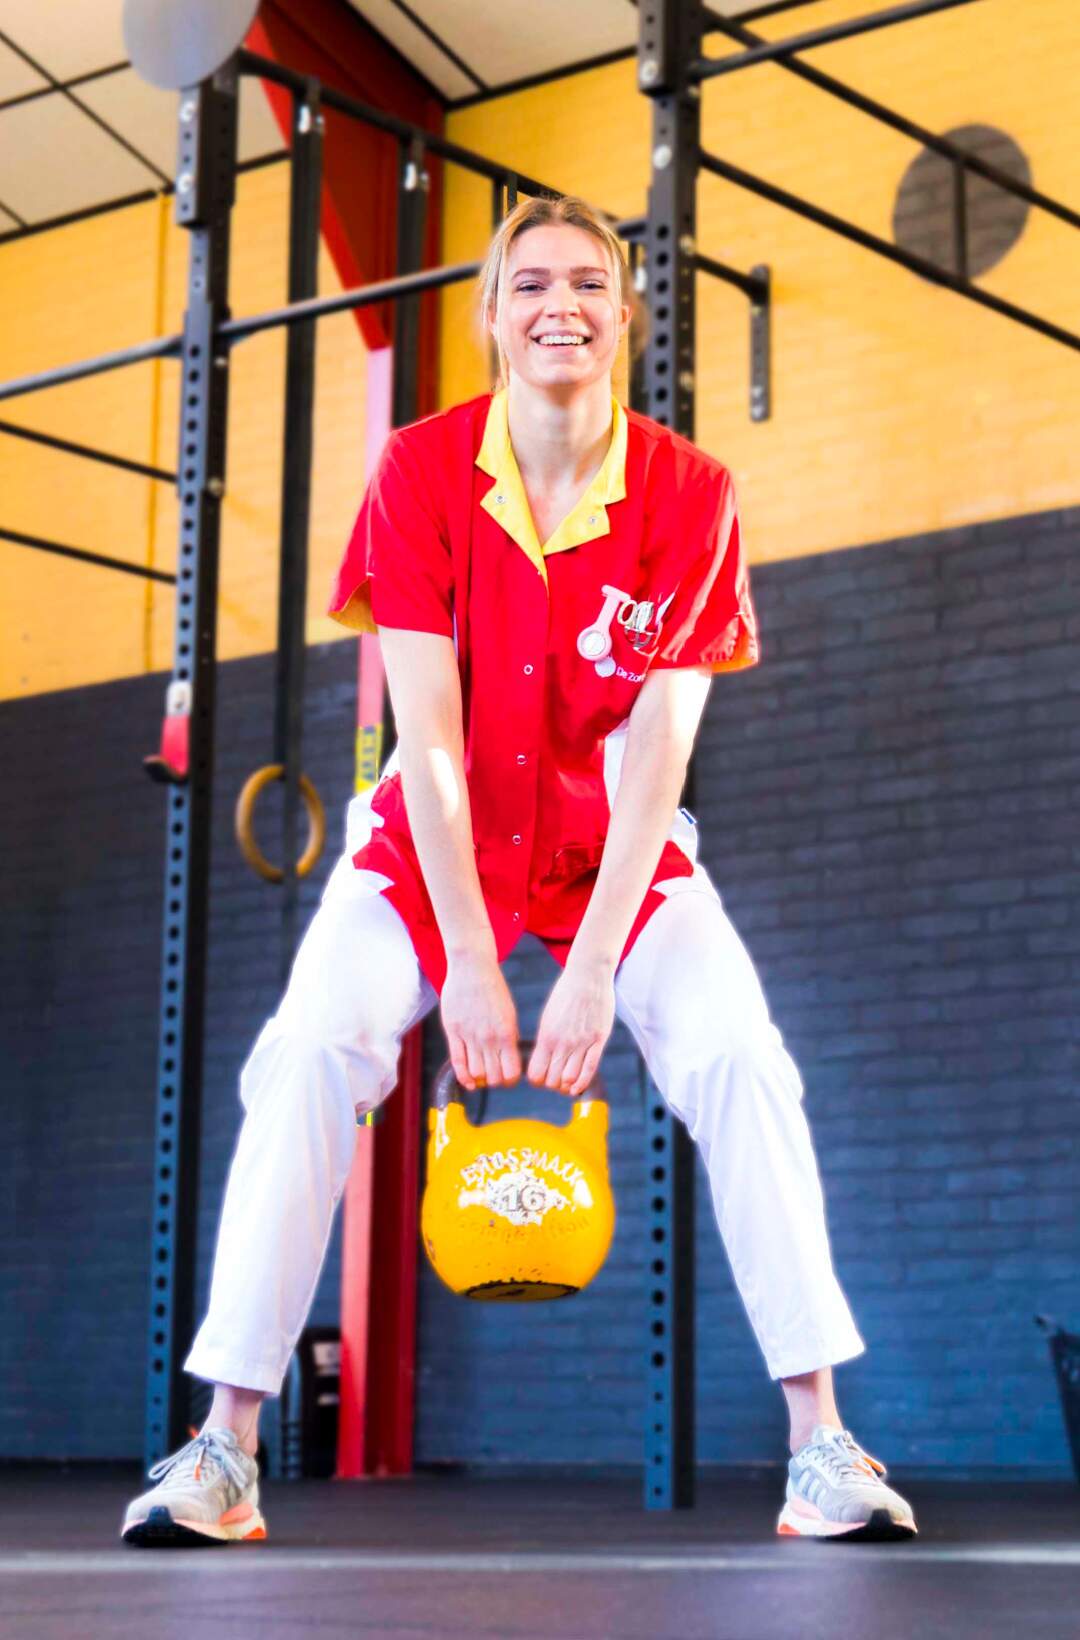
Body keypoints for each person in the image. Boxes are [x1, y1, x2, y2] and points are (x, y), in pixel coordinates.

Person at [121, 195, 916, 1547]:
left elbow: (661, 748)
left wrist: (593, 967)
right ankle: (225, 1447)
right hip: (432, 850)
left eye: (590, 283)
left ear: (625, 312)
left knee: (740, 1055)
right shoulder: (422, 471)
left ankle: (822, 1445)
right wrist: (474, 966)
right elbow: (426, 737)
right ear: (493, 315)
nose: (563, 305)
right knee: (306, 1050)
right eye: (532, 283)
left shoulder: (693, 494)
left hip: (615, 856)